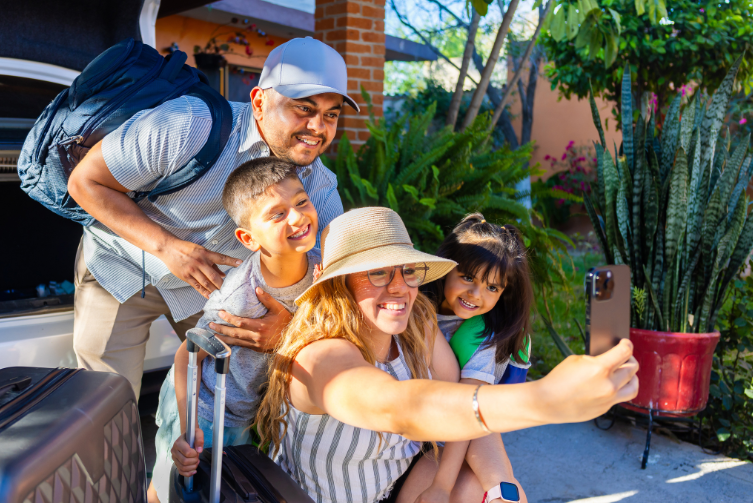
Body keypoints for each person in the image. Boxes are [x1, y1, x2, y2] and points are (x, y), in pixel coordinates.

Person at [173, 207, 639, 503]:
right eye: (376, 273)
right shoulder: (322, 358)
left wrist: (498, 488)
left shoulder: (418, 326)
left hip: (394, 487)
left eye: (407, 270)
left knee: (475, 488)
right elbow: (399, 408)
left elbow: (461, 403)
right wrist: (546, 401)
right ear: (339, 284)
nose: (398, 287)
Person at [67, 37, 356, 397]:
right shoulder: (188, 123)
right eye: (303, 108)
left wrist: (292, 322)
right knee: (105, 404)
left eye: (331, 114)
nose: (318, 127)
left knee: (218, 404)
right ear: (259, 101)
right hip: (123, 268)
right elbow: (85, 182)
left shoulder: (319, 185)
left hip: (214, 293)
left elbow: (339, 272)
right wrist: (169, 249)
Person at [148, 157, 320, 503]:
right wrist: (187, 423)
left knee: (230, 486)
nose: (298, 217)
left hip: (249, 412)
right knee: (176, 483)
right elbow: (189, 352)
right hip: (207, 405)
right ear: (248, 238)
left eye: (301, 202)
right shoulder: (240, 297)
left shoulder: (321, 268)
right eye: (277, 214)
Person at [409, 214, 535, 503]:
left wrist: (441, 486)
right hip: (425, 425)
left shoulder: (482, 332)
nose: (476, 294)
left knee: (477, 414)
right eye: (467, 277)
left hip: (462, 429)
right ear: (446, 268)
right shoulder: (413, 303)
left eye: (493, 288)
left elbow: (468, 412)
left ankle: (503, 494)